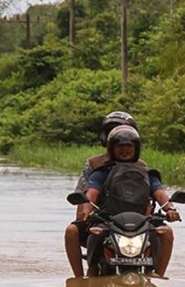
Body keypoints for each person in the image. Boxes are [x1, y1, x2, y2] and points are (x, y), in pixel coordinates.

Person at [82, 125, 181, 278]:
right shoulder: (101, 173)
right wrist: (86, 211)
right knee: (90, 233)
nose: (125, 150)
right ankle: (88, 274)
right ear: (112, 148)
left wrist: (170, 209)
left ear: (136, 148)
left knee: (166, 232)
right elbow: (91, 194)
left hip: (143, 223)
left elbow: (160, 194)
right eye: (120, 146)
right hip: (108, 221)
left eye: (129, 146)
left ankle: (158, 275)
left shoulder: (147, 174)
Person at [65, 111, 152, 278]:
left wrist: (166, 210)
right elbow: (86, 194)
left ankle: (156, 274)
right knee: (72, 231)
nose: (122, 139)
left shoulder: (141, 166)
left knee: (163, 233)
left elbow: (150, 195)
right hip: (103, 219)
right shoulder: (95, 165)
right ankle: (79, 278)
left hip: (136, 222)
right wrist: (84, 217)